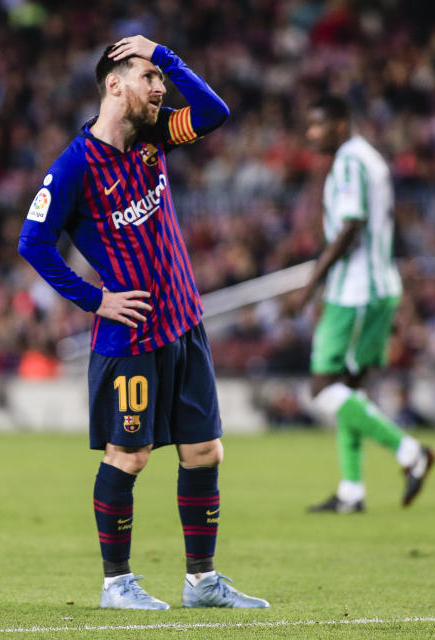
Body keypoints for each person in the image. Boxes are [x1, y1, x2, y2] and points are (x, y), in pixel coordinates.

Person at [18, 35, 268, 610]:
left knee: (205, 452)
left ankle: (202, 583)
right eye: (148, 77)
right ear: (113, 84)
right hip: (129, 335)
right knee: (129, 456)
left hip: (185, 324)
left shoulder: (154, 138)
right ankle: (116, 585)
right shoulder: (73, 167)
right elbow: (32, 240)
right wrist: (93, 299)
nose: (160, 88)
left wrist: (165, 52)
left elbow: (213, 113)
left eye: (161, 78)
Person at [292, 95, 435, 514]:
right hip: (375, 286)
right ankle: (351, 491)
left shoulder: (351, 161)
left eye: (317, 125)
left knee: (322, 387)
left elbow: (351, 224)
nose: (310, 134)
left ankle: (410, 451)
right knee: (349, 390)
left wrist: (311, 285)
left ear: (339, 124)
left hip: (356, 291)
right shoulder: (369, 159)